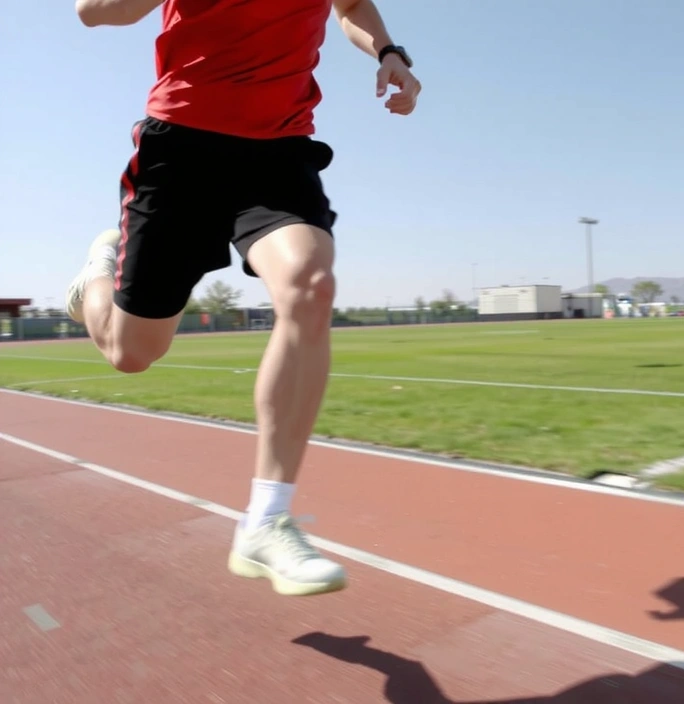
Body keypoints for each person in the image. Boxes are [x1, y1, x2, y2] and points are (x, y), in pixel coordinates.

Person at [64, 0, 421, 597]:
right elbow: (93, 11)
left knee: (310, 285)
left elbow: (353, 5)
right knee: (132, 352)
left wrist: (388, 53)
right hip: (181, 147)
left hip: (277, 152)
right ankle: (99, 273)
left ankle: (267, 518)